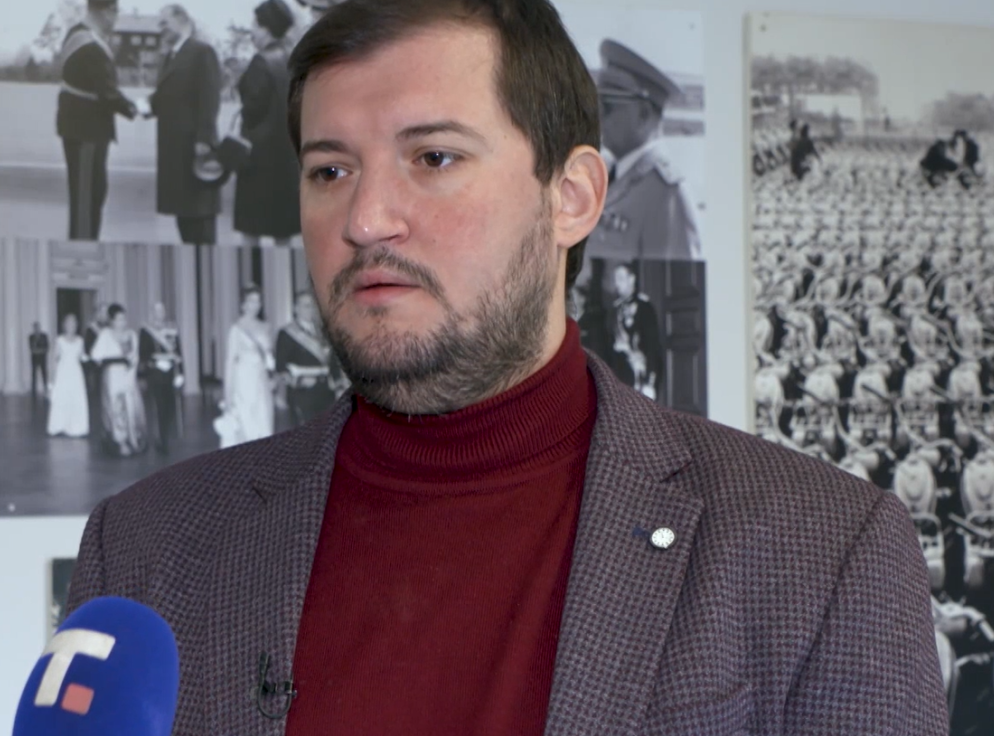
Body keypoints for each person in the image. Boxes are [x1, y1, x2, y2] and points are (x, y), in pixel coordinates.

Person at [67, 1, 946, 734]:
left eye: (434, 158)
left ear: (573, 197)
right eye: (330, 170)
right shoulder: (144, 551)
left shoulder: (822, 554)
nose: (366, 219)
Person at [590, 39, 701, 261]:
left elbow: (673, 283)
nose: (598, 116)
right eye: (597, 105)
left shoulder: (667, 195)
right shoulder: (609, 175)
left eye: (608, 107)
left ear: (643, 114)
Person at [139, 5, 222, 245]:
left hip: (195, 150)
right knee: (184, 218)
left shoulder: (201, 51)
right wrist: (138, 106)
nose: (160, 28)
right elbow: (164, 97)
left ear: (181, 20)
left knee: (200, 221)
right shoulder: (170, 56)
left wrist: (204, 140)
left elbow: (209, 98)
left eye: (164, 22)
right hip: (175, 152)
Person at [56, 0, 138, 241]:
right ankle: (82, 254)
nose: (116, 18)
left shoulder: (76, 34)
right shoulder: (91, 45)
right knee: (88, 200)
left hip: (79, 128)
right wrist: (136, 108)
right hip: (87, 132)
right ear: (106, 12)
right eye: (116, 12)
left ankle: (82, 249)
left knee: (87, 198)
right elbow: (107, 93)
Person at [233, 0, 301, 246]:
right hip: (287, 159)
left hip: (258, 162)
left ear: (266, 28)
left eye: (255, 25)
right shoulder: (295, 60)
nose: (251, 31)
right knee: (282, 234)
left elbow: (251, 110)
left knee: (251, 231)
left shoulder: (261, 62)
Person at [218, 284, 275, 448]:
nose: (255, 305)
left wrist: (272, 377)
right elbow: (229, 362)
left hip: (261, 381)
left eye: (258, 301)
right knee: (247, 424)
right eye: (251, 301)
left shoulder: (265, 327)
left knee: (264, 420)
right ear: (243, 304)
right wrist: (227, 395)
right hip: (243, 382)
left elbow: (269, 357)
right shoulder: (236, 329)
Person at [90, 303, 147, 457]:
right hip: (113, 377)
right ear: (112, 320)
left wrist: (131, 367)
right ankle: (120, 441)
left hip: (128, 375)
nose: (122, 322)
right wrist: (114, 359)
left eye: (124, 318)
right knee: (116, 408)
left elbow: (135, 356)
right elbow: (95, 355)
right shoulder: (105, 335)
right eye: (119, 319)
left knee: (131, 407)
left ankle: (133, 439)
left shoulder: (131, 335)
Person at [276, 290, 341, 426]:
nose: (309, 309)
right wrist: (299, 381)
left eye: (312, 305)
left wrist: (337, 383)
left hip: (325, 391)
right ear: (295, 308)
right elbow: (280, 366)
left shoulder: (323, 332)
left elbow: (333, 361)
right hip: (302, 393)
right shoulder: (287, 333)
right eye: (305, 305)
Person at [611, 261, 663, 401]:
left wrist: (650, 382)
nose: (617, 283)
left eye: (620, 278)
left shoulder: (644, 307)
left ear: (632, 279)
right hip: (620, 376)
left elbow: (653, 346)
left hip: (639, 373)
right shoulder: (615, 308)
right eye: (615, 279)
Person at [139, 302, 184, 454]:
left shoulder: (171, 329)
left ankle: (165, 434)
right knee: (159, 406)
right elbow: (143, 354)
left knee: (170, 407)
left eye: (162, 310)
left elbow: (178, 353)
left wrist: (181, 373)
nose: (160, 313)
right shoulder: (146, 331)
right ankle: (161, 440)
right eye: (157, 310)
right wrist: (159, 358)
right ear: (152, 312)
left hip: (170, 373)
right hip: (155, 373)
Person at [47, 313, 90, 438]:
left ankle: (76, 427)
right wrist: (50, 383)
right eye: (69, 322)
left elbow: (82, 356)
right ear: (64, 325)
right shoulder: (59, 340)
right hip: (63, 373)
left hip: (76, 373)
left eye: (74, 322)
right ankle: (59, 426)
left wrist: (93, 358)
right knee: (62, 398)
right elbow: (53, 361)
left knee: (76, 398)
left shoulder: (80, 340)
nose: (72, 325)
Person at [28, 322, 50, 400]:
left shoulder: (44, 336)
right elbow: (32, 349)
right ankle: (33, 393)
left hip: (42, 359)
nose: (36, 329)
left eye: (38, 327)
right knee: (34, 375)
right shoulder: (31, 337)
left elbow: (46, 347)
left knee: (44, 374)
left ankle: (46, 390)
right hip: (34, 359)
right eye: (35, 328)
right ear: (33, 328)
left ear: (39, 328)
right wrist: (40, 350)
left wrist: (38, 350)